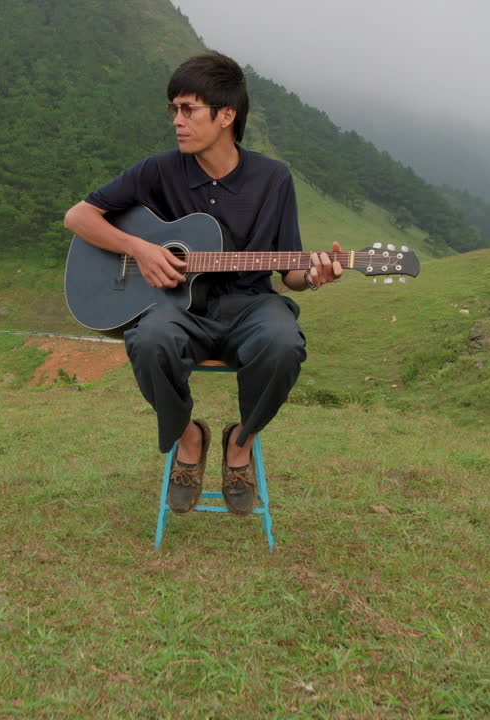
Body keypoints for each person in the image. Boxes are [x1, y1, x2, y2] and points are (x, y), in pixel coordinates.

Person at [63, 51, 342, 516]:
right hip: (182, 310)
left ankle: (241, 443)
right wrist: (141, 249)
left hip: (251, 305)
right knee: (149, 338)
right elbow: (79, 217)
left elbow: (291, 272)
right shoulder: (158, 170)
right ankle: (189, 437)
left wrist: (314, 276)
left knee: (283, 343)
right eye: (173, 109)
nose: (177, 120)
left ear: (226, 115)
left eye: (188, 109)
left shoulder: (273, 179)